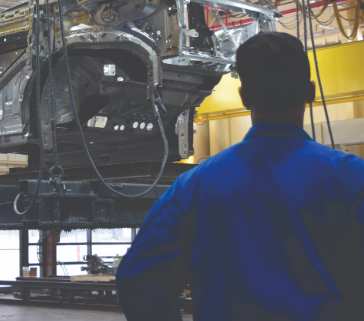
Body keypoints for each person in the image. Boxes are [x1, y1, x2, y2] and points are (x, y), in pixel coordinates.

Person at [116, 32, 364, 320]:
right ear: (310, 93)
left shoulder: (194, 185)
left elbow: (138, 278)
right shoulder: (351, 177)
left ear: (244, 97)